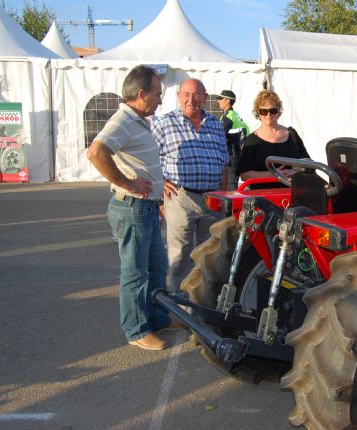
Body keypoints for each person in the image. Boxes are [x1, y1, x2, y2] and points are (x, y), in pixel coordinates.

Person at [87, 65, 185, 352]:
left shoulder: (137, 120)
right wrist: (126, 183)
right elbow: (96, 152)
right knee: (135, 273)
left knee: (156, 268)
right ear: (141, 93)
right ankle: (136, 330)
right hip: (132, 208)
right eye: (157, 94)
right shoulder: (123, 121)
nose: (159, 100)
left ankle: (156, 318)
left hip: (145, 209)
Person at [153, 78, 230, 292]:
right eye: (186, 94)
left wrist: (222, 194)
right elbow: (148, 158)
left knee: (210, 254)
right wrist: (160, 184)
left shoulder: (215, 124)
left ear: (204, 97)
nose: (191, 99)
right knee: (180, 256)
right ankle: (182, 306)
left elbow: (224, 162)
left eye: (197, 95)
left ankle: (204, 303)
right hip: (181, 196)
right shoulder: (165, 123)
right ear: (178, 96)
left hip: (212, 199)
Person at [237, 90, 310, 189]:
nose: (268, 115)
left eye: (273, 110)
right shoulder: (252, 140)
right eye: (263, 111)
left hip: (294, 196)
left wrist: (295, 172)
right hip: (264, 198)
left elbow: (308, 163)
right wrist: (272, 174)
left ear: (278, 111)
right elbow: (244, 175)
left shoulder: (292, 134)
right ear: (258, 113)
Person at [217, 90, 250, 189]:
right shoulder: (234, 114)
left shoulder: (229, 116)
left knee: (229, 188)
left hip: (231, 157)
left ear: (227, 101)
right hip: (234, 155)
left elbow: (219, 136)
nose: (218, 101)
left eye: (220, 99)